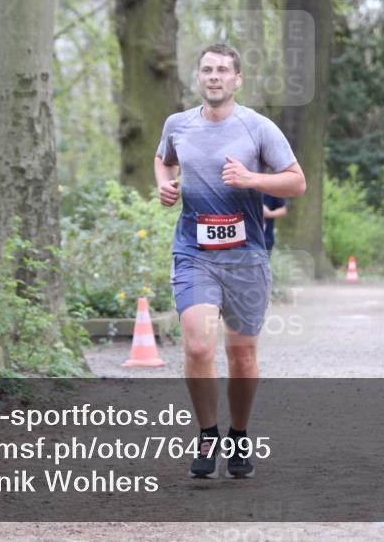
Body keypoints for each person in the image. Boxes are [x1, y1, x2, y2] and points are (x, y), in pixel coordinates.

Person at [154, 43, 306, 479]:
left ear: (237, 79)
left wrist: (251, 179)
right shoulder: (177, 124)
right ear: (198, 78)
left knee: (241, 357)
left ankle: (239, 434)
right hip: (194, 252)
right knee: (199, 346)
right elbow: (163, 161)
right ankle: (207, 433)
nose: (214, 76)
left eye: (223, 70)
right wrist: (166, 187)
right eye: (207, 69)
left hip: (245, 257)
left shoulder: (258, 128)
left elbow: (297, 182)